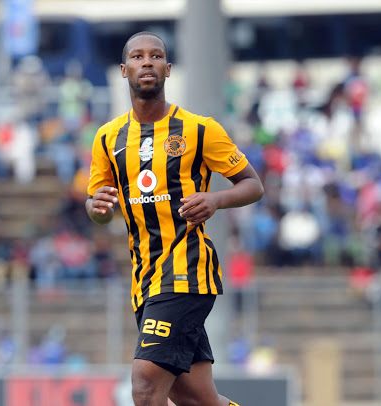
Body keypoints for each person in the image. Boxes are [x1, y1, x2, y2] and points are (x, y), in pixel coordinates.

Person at [86, 32, 264, 406]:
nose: (146, 62)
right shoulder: (107, 138)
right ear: (124, 70)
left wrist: (216, 199)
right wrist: (97, 208)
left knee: (146, 384)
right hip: (145, 280)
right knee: (196, 398)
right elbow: (97, 209)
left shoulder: (200, 129)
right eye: (137, 56)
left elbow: (253, 185)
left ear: (168, 69)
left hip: (187, 270)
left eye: (155, 56)